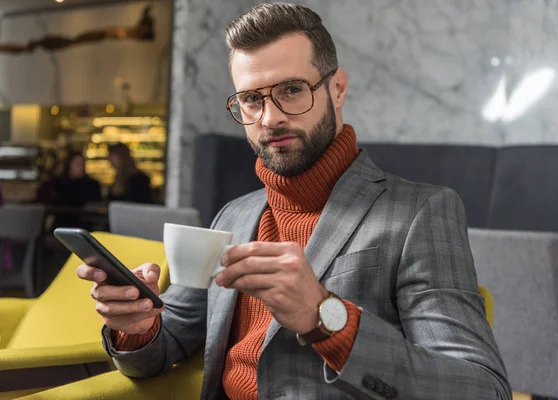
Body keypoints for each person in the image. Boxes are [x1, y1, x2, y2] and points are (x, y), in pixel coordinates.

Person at [78, 3, 511, 399]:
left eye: (291, 90)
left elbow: (480, 387)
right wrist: (137, 328)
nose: (270, 118)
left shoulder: (421, 212)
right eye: (251, 99)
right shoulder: (235, 214)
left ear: (337, 89)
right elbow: (165, 348)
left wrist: (325, 316)